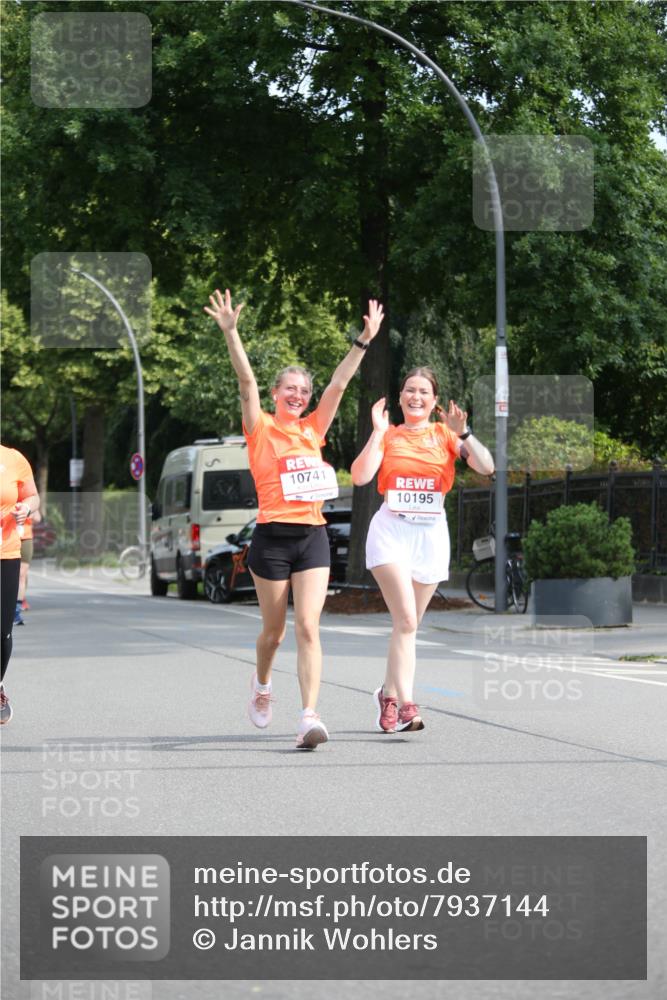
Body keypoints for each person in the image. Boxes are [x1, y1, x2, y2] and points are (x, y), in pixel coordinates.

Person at [204, 288, 384, 749]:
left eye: (304, 391)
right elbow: (245, 382)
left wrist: (363, 341)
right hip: (271, 539)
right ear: (277, 393)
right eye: (291, 389)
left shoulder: (313, 429)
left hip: (312, 536)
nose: (299, 396)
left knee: (308, 626)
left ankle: (309, 716)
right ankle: (262, 686)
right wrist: (231, 333)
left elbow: (339, 385)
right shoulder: (260, 426)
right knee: (274, 632)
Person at [350, 367, 494, 734]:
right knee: (408, 620)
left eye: (424, 392)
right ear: (400, 398)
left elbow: (486, 466)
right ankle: (406, 704)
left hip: (430, 535)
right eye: (410, 390)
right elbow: (361, 476)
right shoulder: (390, 435)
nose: (416, 396)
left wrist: (465, 433)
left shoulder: (445, 435)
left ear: (434, 401)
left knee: (406, 627)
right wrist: (378, 433)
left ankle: (387, 693)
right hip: (392, 532)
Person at [1, 443, 40, 724]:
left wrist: (25, 508)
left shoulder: (13, 458)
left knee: (2, 632)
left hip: (6, 553)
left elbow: (33, 497)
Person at [15, 509, 41, 625]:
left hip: (25, 538)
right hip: (6, 538)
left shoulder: (29, 497)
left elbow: (37, 518)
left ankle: (16, 612)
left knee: (21, 574)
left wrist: (27, 512)